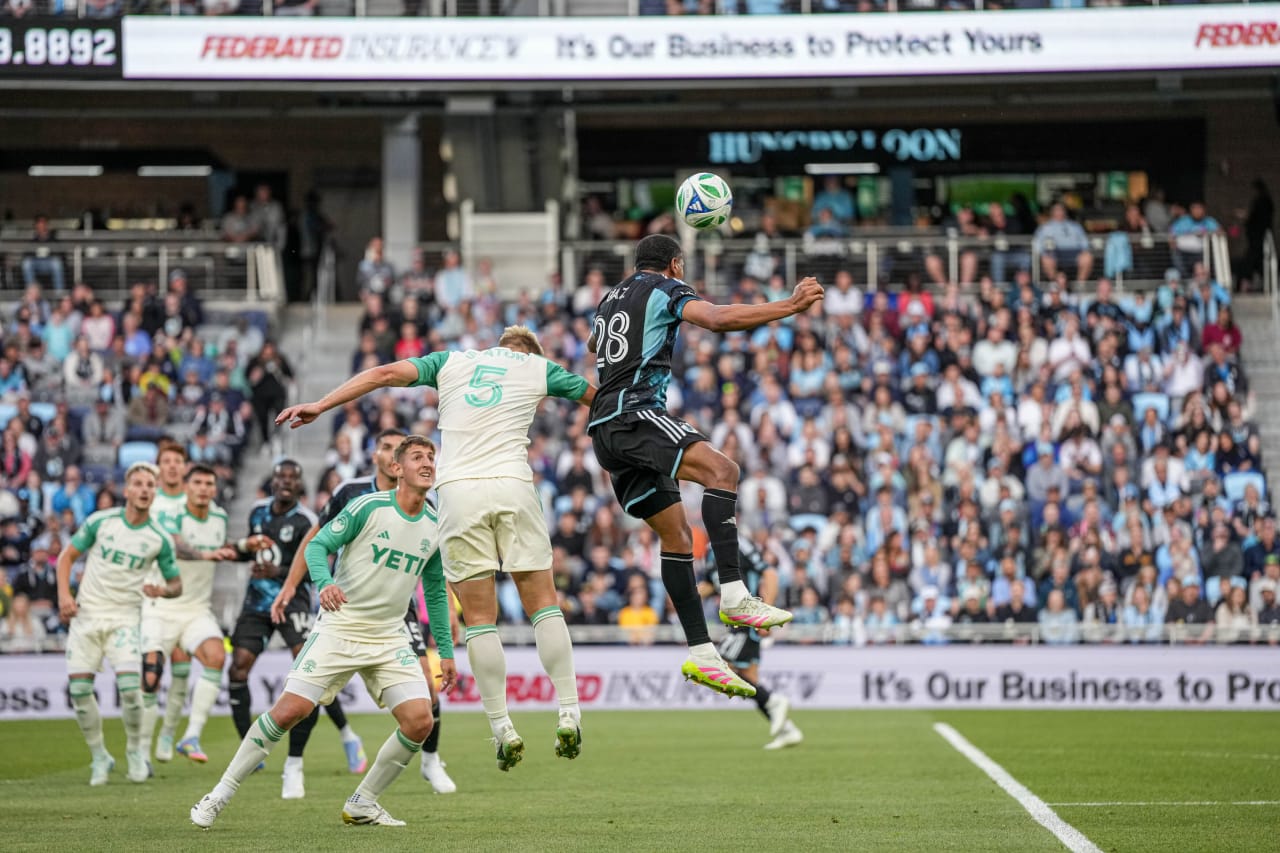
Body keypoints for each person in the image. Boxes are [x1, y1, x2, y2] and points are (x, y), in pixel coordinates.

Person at [277, 325, 595, 771]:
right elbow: (599, 398)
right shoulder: (539, 368)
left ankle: (501, 727)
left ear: (497, 346)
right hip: (513, 485)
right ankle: (569, 711)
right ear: (529, 355)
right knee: (544, 605)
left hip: (458, 492)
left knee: (481, 620)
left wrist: (321, 404)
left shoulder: (452, 361)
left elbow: (385, 372)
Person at [585, 234, 823, 696]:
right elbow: (714, 319)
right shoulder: (663, 288)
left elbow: (598, 343)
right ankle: (734, 594)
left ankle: (700, 652)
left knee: (676, 536)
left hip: (605, 432)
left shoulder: (609, 299)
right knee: (724, 472)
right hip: (635, 414)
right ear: (674, 265)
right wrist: (788, 307)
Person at [191, 436, 456, 829]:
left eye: (431, 456)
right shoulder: (366, 506)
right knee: (288, 713)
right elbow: (316, 546)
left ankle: (363, 802)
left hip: (389, 636)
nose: (428, 462)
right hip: (341, 626)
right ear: (397, 468)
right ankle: (219, 794)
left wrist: (446, 651)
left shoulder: (436, 524)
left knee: (420, 720)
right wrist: (325, 582)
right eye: (418, 456)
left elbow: (434, 590)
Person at [274, 429, 458, 793]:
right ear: (380, 457)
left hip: (397, 610)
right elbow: (317, 539)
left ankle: (431, 761)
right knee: (304, 697)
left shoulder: (428, 507)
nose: (396, 455)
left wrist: (448, 618)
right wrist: (293, 585)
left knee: (426, 688)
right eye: (388, 448)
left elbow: (432, 573)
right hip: (347, 606)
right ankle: (294, 764)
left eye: (401, 449)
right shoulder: (352, 493)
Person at [226, 460, 363, 799]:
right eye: (281, 477)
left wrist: (279, 569)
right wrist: (242, 551)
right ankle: (251, 751)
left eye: (293, 478)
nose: (286, 482)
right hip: (256, 604)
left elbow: (310, 559)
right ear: (272, 481)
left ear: (300, 485)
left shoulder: (306, 521)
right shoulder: (258, 512)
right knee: (238, 667)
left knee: (311, 676)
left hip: (295, 603)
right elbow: (252, 552)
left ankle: (298, 762)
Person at [55, 462, 182, 786]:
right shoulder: (101, 522)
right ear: (126, 491)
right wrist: (64, 597)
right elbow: (66, 557)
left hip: (125, 618)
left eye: (150, 486)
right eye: (138, 484)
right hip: (86, 615)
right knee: (80, 691)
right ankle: (100, 756)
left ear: (155, 493)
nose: (144, 490)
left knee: (130, 691)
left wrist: (163, 591)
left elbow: (176, 585)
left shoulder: (159, 539)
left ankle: (136, 751)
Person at [139, 465, 240, 765]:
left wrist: (247, 546)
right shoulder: (172, 513)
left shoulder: (220, 517)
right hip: (161, 606)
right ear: (186, 486)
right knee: (151, 676)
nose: (204, 488)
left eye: (209, 483)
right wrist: (207, 555)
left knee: (216, 657)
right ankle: (141, 750)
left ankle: (189, 736)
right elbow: (174, 546)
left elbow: (224, 549)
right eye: (197, 482)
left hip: (196, 609)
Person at [700, 535, 803, 750]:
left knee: (717, 670)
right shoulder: (709, 553)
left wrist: (765, 614)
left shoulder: (738, 543)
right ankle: (787, 729)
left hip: (747, 619)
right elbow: (710, 585)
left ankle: (774, 700)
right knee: (749, 680)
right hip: (733, 622)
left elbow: (769, 572)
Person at [138, 440, 198, 762]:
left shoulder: (195, 501)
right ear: (159, 467)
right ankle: (144, 746)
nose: (173, 466)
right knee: (151, 673)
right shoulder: (149, 501)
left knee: (182, 668)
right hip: (153, 595)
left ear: (185, 467)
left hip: (186, 595)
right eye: (167, 461)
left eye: (178, 460)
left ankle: (167, 736)